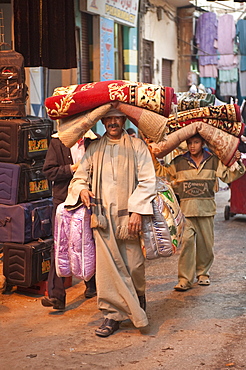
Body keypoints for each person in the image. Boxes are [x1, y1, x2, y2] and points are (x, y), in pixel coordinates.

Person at [64, 107, 157, 337]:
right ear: (103, 120)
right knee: (107, 270)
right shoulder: (94, 148)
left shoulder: (137, 147)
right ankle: (111, 314)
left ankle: (138, 297)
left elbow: (147, 181)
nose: (113, 122)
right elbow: (79, 177)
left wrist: (137, 212)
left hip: (129, 220)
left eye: (117, 118)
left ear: (124, 119)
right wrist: (82, 189)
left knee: (134, 266)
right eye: (109, 118)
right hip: (102, 220)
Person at [149, 133, 245, 291]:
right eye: (190, 143)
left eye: (196, 142)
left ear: (203, 143)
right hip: (186, 211)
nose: (193, 146)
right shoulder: (179, 162)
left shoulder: (213, 160)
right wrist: (152, 156)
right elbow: (163, 173)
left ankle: (203, 273)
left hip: (206, 210)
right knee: (186, 244)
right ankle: (185, 279)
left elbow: (229, 176)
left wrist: (237, 160)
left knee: (206, 244)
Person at [41, 130, 98, 310]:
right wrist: (72, 169)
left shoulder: (93, 141)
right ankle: (56, 296)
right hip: (64, 201)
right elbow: (49, 171)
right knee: (60, 245)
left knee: (89, 242)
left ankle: (92, 285)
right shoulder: (57, 142)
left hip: (88, 199)